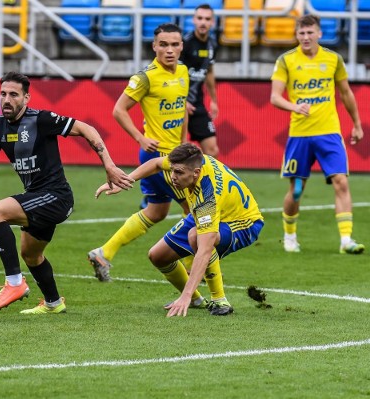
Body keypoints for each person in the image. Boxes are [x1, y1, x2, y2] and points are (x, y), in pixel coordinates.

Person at [0, 71, 133, 314]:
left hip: (56, 196)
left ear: (26, 98)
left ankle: (14, 283)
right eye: (3, 94)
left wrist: (109, 164)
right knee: (31, 255)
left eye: (13, 94)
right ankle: (53, 303)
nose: (7, 100)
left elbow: (86, 128)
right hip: (36, 197)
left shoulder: (41, 120)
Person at [95, 143, 264, 317]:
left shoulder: (207, 197)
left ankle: (219, 300)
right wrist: (123, 181)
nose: (172, 177)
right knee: (158, 256)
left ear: (196, 173)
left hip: (243, 222)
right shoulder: (188, 162)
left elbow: (205, 250)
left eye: (179, 173)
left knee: (196, 236)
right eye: (173, 171)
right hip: (211, 212)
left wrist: (185, 293)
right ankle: (195, 300)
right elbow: (156, 164)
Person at [87, 23, 191, 283]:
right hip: (160, 158)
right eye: (163, 45)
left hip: (175, 155)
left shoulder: (184, 72)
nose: (169, 50)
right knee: (197, 211)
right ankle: (190, 267)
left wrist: (184, 143)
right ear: (154, 46)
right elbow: (119, 110)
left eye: (174, 44)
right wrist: (140, 137)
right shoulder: (145, 77)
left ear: (181, 46)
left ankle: (104, 252)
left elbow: (181, 112)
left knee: (157, 212)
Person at [270, 14, 365, 255]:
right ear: (296, 35)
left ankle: (346, 240)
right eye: (301, 33)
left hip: (329, 132)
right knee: (296, 189)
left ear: (319, 34)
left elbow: (346, 93)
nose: (305, 37)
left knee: (341, 181)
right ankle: (290, 236)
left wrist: (356, 124)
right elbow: (275, 97)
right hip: (299, 134)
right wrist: (294, 106)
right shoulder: (286, 60)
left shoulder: (333, 59)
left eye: (310, 32)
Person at [181, 3, 220, 157]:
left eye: (207, 19)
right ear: (194, 20)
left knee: (212, 151)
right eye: (200, 18)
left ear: (213, 22)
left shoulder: (213, 44)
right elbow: (173, 74)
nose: (203, 22)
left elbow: (209, 72)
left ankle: (204, 181)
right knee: (179, 150)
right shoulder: (184, 44)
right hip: (179, 104)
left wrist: (214, 100)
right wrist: (182, 101)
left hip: (197, 104)